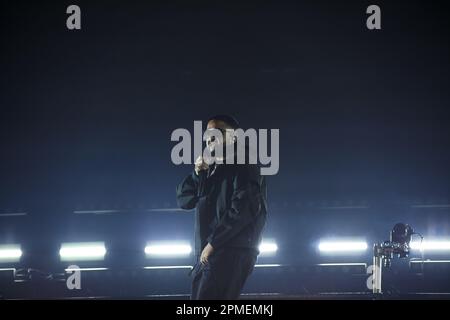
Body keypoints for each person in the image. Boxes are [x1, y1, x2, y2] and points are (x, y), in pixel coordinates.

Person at [176, 115, 267, 300]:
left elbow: (244, 209)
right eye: (207, 135)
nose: (210, 138)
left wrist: (213, 243)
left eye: (217, 133)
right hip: (210, 250)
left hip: (229, 248)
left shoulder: (244, 164)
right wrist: (196, 174)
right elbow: (184, 200)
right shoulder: (211, 168)